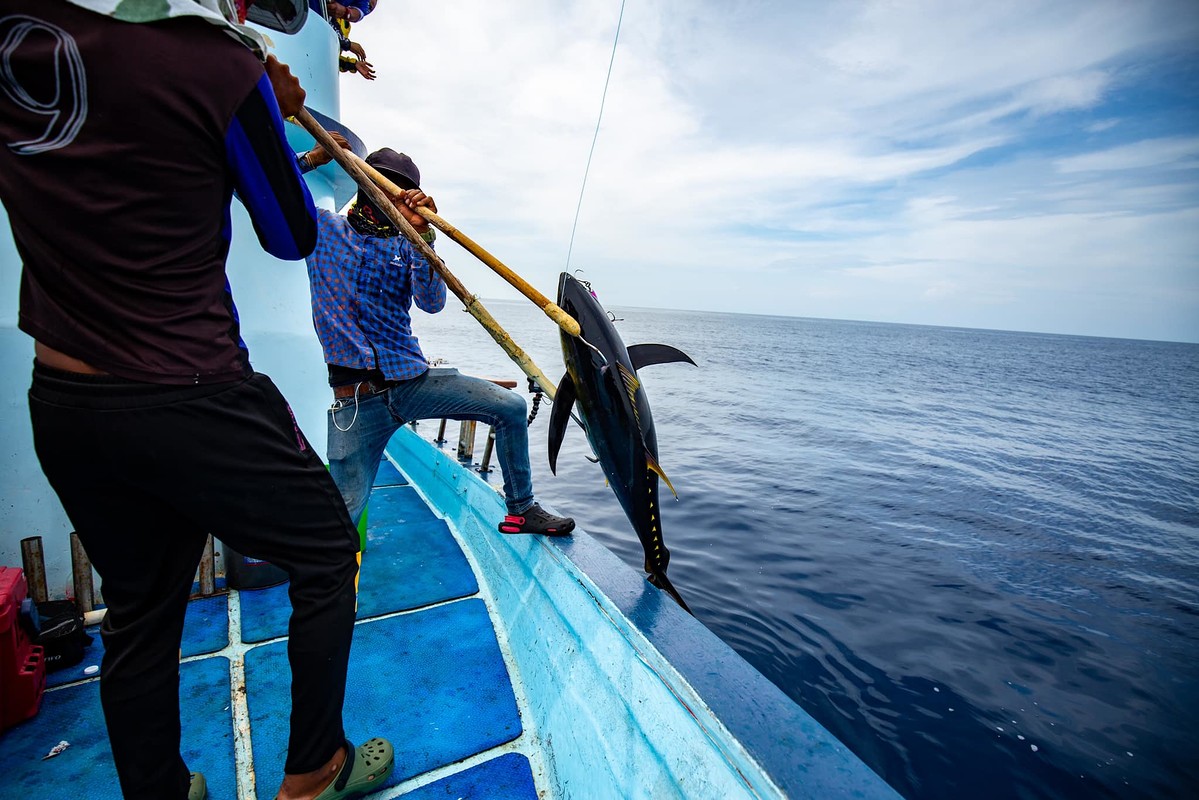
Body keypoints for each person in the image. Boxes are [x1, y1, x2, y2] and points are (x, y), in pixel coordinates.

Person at [0, 3, 392, 799]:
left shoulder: (16, 36)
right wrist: (271, 105)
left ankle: (161, 790)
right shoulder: (220, 63)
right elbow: (289, 233)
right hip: (190, 390)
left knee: (141, 608)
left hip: (66, 402)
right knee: (323, 552)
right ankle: (315, 769)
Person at [303, 145, 575, 537]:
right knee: (339, 523)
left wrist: (423, 236)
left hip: (412, 383)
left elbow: (432, 302)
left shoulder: (406, 244)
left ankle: (521, 509)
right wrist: (311, 160)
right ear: (362, 183)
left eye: (401, 189)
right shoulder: (322, 230)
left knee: (511, 407)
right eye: (383, 183)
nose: (390, 194)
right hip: (356, 403)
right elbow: (259, 191)